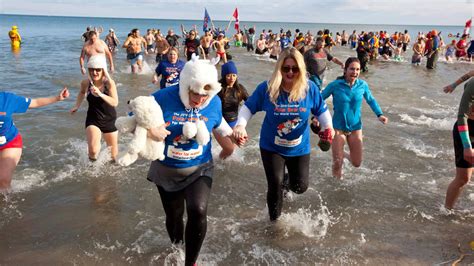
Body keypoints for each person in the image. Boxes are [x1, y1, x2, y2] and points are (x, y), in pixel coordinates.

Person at [146, 55, 234, 266]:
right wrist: (151, 128)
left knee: (198, 210)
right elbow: (135, 114)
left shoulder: (214, 101)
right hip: (167, 169)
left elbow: (219, 122)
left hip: (200, 168)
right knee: (174, 216)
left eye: (205, 95)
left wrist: (235, 134)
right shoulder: (164, 97)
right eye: (194, 93)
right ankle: (176, 248)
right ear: (185, 85)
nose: (199, 99)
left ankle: (190, 262)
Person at [233, 47, 334, 221]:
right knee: (274, 185)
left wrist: (328, 127)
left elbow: (321, 110)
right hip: (271, 146)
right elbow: (248, 107)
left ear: (301, 70)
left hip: (299, 148)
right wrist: (240, 125)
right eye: (285, 68)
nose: (290, 72)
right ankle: (274, 224)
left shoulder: (309, 88)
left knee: (300, 186)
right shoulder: (268, 88)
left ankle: (286, 181)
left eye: (294, 69)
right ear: (279, 68)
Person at [321, 57, 388, 179]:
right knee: (337, 163)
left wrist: (380, 114)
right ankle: (337, 186)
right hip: (337, 127)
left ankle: (343, 154)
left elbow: (371, 100)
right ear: (345, 70)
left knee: (356, 163)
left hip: (355, 127)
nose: (355, 72)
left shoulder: (362, 85)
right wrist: (316, 116)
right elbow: (319, 99)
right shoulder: (335, 85)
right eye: (352, 69)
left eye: (357, 69)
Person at [0, 88, 70, 191]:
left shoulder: (7, 99)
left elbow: (35, 102)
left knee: (3, 180)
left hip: (9, 143)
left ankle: (7, 204)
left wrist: (57, 98)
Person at [70, 55, 119, 161]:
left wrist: (100, 94)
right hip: (93, 119)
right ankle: (92, 170)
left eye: (98, 70)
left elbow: (115, 102)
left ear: (103, 70)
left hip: (109, 119)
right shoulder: (86, 83)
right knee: (93, 150)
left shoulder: (109, 83)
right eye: (92, 69)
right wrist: (76, 105)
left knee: (113, 157)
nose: (94, 72)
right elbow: (82, 92)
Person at [444, 72, 474, 209]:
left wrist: (454, 84)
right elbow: (462, 116)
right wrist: (467, 146)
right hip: (468, 130)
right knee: (463, 179)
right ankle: (446, 211)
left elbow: (469, 73)